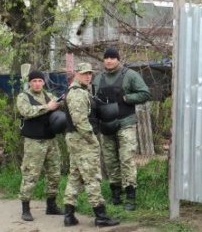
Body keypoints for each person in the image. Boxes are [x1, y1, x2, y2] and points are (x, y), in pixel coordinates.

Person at [92, 48, 151, 211]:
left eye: (112, 58)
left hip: (126, 122)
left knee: (126, 159)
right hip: (106, 125)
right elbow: (92, 102)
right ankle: (115, 195)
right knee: (110, 161)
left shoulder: (130, 75)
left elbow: (145, 93)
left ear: (118, 59)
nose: (109, 61)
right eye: (106, 58)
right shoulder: (98, 79)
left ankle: (130, 197)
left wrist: (128, 98)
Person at [63, 63, 120, 227]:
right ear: (76, 74)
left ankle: (69, 215)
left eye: (90, 73)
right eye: (84, 73)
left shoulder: (79, 92)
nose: (88, 76)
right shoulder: (77, 94)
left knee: (75, 176)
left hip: (76, 139)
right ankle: (100, 216)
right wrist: (92, 140)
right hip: (83, 140)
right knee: (92, 177)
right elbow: (80, 121)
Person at [16, 70, 65, 221]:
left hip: (50, 140)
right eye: (34, 81)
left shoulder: (48, 96)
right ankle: (25, 208)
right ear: (30, 83)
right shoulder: (24, 96)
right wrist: (47, 107)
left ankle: (51, 205)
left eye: (40, 81)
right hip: (34, 142)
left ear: (44, 82)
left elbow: (57, 107)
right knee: (30, 175)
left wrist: (61, 102)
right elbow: (27, 111)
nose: (37, 83)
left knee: (54, 174)